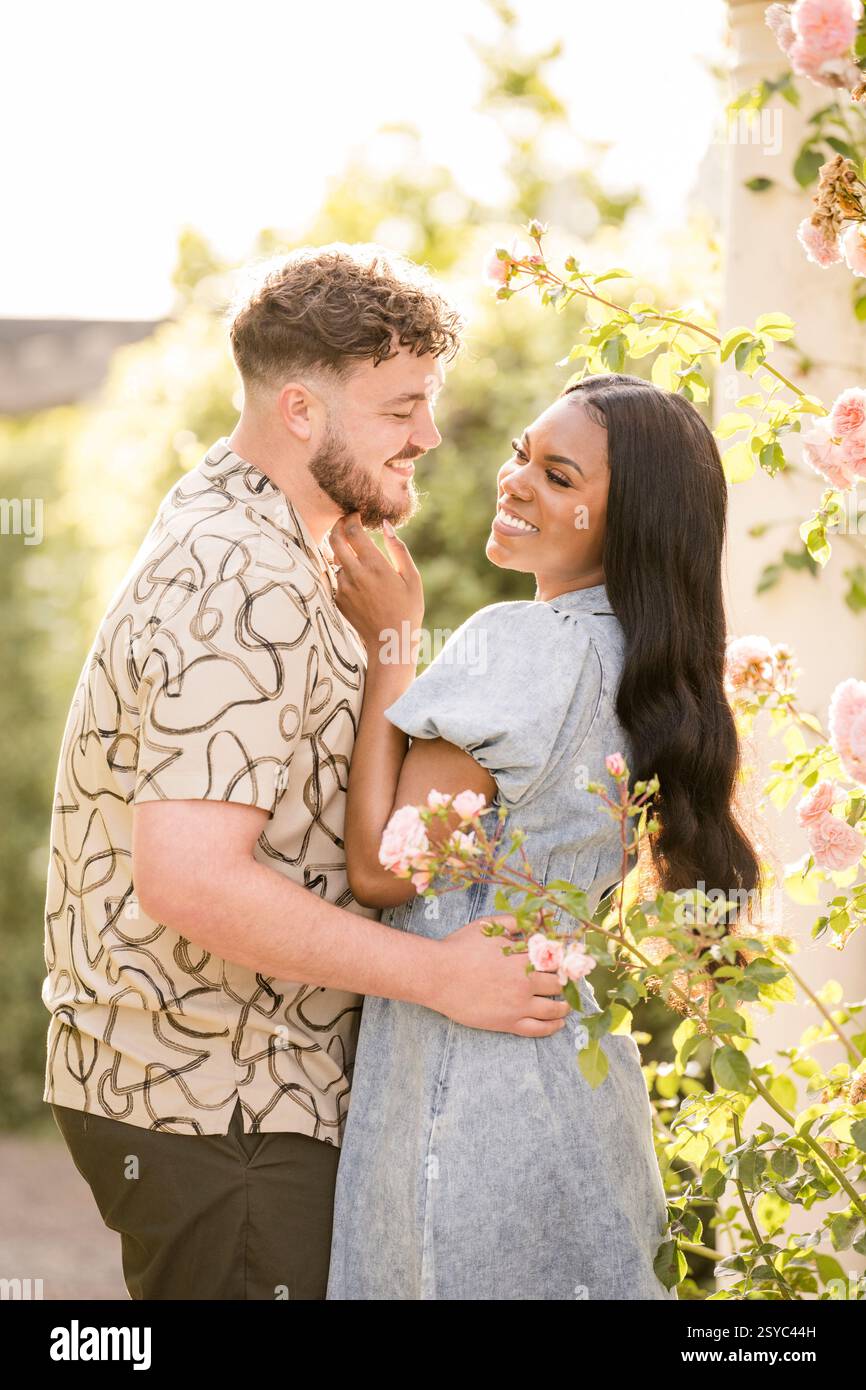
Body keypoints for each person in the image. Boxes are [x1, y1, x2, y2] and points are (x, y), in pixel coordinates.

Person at [42, 244, 572, 1302]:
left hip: (235, 1091)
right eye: (399, 408)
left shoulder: (274, 540)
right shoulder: (239, 575)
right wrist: (440, 976)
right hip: (216, 1101)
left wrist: (393, 646)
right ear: (298, 410)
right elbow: (191, 880)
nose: (428, 434)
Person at [325, 372, 762, 1300]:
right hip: (579, 1095)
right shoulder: (649, 678)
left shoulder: (519, 645)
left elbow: (381, 865)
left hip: (467, 1109)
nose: (516, 480)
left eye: (560, 476)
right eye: (524, 453)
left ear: (627, 524)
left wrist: (393, 647)